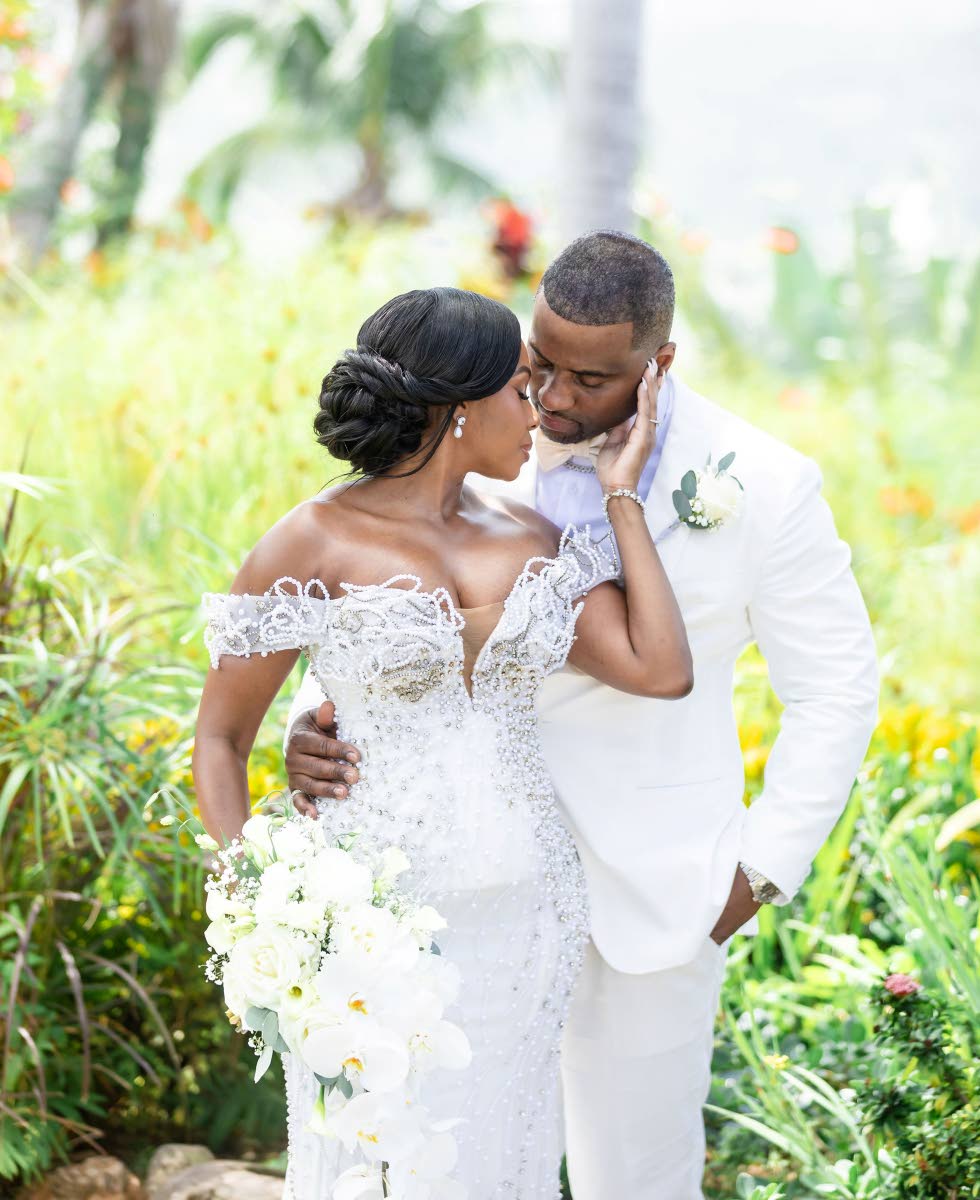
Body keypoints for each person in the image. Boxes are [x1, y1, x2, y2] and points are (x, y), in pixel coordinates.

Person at [284, 233, 880, 1199]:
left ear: (659, 363)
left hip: (654, 886)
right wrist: (314, 725)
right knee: (450, 1153)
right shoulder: (471, 432)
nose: (553, 399)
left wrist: (761, 870)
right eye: (541, 363)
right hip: (459, 875)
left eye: (590, 379)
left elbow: (837, 688)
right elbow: (373, 587)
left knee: (635, 1177)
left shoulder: (765, 486)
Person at [193, 285, 693, 1200]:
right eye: (520, 389)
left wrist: (620, 497)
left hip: (527, 912)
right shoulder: (309, 543)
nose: (537, 413)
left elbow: (659, 668)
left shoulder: (534, 538)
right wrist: (255, 903)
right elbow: (222, 738)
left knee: (500, 1154)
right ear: (457, 408)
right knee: (372, 1156)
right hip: (366, 924)